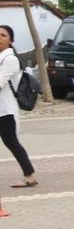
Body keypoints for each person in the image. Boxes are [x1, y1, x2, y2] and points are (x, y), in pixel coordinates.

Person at [0, 25, 37, 188]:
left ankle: (30, 176)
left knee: (12, 143)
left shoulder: (10, 59)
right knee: (11, 143)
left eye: (3, 35)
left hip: (5, 111)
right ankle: (30, 175)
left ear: (10, 41)